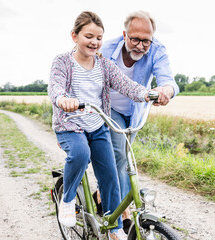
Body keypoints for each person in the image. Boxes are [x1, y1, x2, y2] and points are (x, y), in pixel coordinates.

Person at [48, 11, 155, 240]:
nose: (94, 42)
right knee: (80, 153)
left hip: (97, 125)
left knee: (110, 176)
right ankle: (67, 200)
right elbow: (55, 87)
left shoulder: (104, 65)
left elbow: (126, 84)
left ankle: (114, 226)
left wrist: (147, 94)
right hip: (70, 125)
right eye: (89, 36)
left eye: (98, 38)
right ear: (74, 36)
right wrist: (63, 100)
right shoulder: (62, 62)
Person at [99, 10, 179, 232]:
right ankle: (119, 216)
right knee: (120, 156)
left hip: (135, 111)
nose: (140, 46)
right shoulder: (105, 50)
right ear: (124, 35)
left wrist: (165, 90)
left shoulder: (157, 50)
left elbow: (169, 81)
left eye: (146, 41)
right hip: (109, 108)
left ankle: (105, 196)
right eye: (135, 39)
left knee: (123, 161)